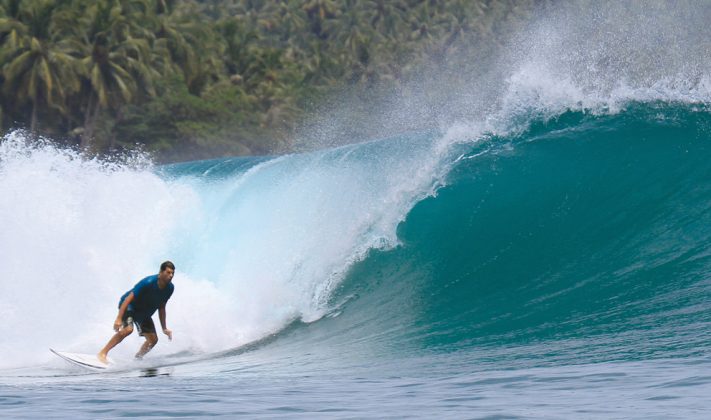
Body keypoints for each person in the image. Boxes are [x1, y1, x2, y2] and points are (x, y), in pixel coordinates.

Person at [97, 261, 176, 364]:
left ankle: (138, 358)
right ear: (161, 272)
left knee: (153, 340)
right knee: (128, 329)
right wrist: (119, 318)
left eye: (173, 273)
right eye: (168, 272)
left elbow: (162, 307)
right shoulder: (148, 282)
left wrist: (164, 328)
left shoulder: (170, 288)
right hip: (130, 306)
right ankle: (102, 353)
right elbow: (127, 299)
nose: (171, 276)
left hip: (143, 313)